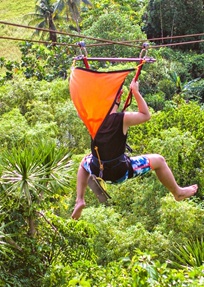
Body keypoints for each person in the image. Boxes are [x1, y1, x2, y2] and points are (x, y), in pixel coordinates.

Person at [71, 79, 197, 219]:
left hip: (98, 170)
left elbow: (79, 109)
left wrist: (91, 96)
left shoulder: (91, 118)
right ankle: (177, 193)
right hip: (121, 171)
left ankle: (79, 200)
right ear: (118, 98)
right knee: (159, 161)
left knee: (84, 163)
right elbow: (145, 115)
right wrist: (136, 92)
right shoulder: (122, 119)